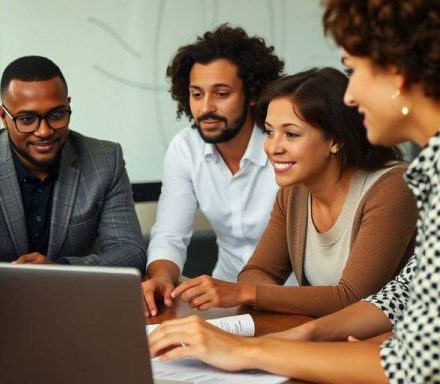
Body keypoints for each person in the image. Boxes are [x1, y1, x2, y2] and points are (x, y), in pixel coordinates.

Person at [148, 0, 440, 382]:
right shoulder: (424, 175)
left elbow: (411, 361)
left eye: (356, 70)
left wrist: (252, 342)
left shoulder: (396, 185)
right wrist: (303, 334)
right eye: (270, 132)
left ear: (397, 72)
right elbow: (395, 297)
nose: (351, 96)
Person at [170, 68, 416, 317]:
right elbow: (257, 270)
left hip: (398, 348)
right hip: (325, 336)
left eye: (291, 134)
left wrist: (249, 293)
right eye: (269, 131)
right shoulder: (294, 193)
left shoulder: (392, 187)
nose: (273, 147)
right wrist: (257, 292)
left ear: (335, 140)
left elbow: (353, 298)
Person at [0, 55, 146, 270]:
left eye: (56, 115)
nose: (44, 131)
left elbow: (130, 251)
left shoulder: (105, 160)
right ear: (3, 115)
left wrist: (59, 269)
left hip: (76, 298)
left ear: (68, 105)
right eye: (27, 119)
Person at [143, 24, 285, 316]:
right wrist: (160, 278)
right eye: (196, 94)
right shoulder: (185, 148)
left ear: (254, 94)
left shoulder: (283, 145)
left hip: (291, 297)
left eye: (221, 93)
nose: (206, 107)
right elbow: (170, 234)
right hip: (223, 297)